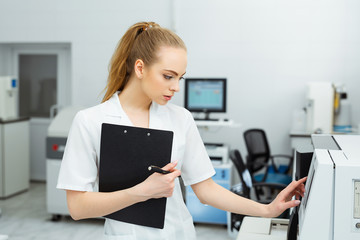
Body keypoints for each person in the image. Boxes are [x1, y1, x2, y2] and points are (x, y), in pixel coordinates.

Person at [57, 21, 306, 240]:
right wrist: (141, 192)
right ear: (140, 68)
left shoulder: (180, 118)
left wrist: (265, 209)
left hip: (178, 233)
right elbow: (77, 207)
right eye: (168, 76)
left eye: (180, 78)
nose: (176, 87)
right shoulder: (90, 121)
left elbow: (205, 190)